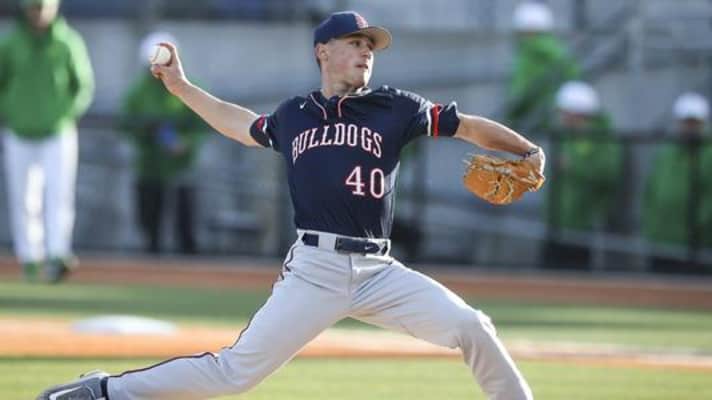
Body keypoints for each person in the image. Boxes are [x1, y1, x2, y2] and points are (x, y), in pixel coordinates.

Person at [37, 11, 543, 400]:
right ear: (323, 51)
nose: (366, 52)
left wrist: (525, 149)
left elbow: (468, 126)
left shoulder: (395, 107)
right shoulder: (295, 114)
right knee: (234, 373)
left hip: (380, 271)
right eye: (355, 43)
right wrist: (180, 86)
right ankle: (105, 391)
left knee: (472, 326)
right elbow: (238, 124)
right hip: (316, 270)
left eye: (371, 46)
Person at [0, 0, 94, 282]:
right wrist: (11, 113)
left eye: (42, 7)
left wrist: (65, 114)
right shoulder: (10, 43)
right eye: (33, 8)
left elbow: (83, 85)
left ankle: (57, 252)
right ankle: (29, 256)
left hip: (57, 132)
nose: (38, 14)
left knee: (59, 193)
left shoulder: (68, 42)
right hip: (19, 131)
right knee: (23, 197)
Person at [120, 32, 207, 255]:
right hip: (150, 166)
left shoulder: (191, 89)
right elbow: (125, 123)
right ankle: (151, 255)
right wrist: (146, 132)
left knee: (185, 216)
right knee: (149, 219)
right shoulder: (138, 93)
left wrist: (186, 143)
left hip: (182, 166)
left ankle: (189, 256)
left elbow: (203, 123)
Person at [544, 81, 621, 269]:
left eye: (565, 112)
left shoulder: (601, 138)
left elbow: (607, 173)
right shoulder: (566, 136)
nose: (562, 117)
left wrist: (573, 166)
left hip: (584, 224)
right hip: (557, 221)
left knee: (576, 272)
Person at [642, 92, 712, 274]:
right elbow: (651, 190)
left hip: (695, 246)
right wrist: (650, 226)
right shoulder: (667, 152)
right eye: (685, 122)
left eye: (694, 122)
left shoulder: (708, 154)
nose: (689, 128)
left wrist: (696, 229)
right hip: (660, 240)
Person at [505, 1, 580, 134]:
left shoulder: (533, 51)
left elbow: (522, 85)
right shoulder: (549, 49)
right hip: (540, 109)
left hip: (536, 109)